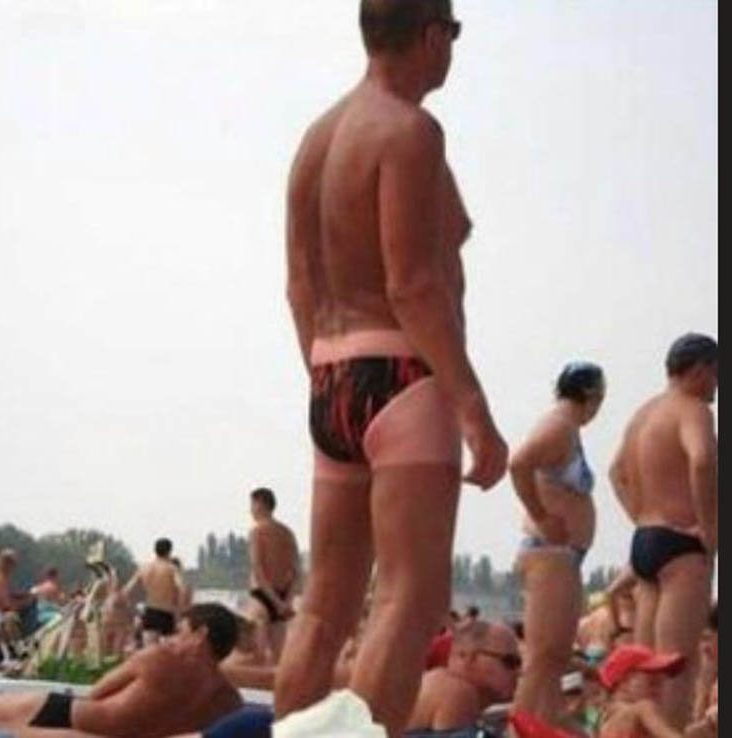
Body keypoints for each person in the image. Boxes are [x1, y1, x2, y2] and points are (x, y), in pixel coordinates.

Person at [273, 0, 508, 733]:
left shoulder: (317, 140)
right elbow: (414, 286)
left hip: (331, 370)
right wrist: (473, 409)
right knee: (409, 596)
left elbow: (300, 286)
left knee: (325, 605)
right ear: (431, 35)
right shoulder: (410, 131)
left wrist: (327, 383)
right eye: (453, 34)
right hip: (402, 373)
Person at [0, 604, 243, 738]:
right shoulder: (229, 702)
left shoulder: (159, 658)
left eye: (182, 631)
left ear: (200, 635)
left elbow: (99, 690)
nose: (173, 638)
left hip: (67, 717)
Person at [609, 333, 718, 729]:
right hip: (681, 545)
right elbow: (702, 460)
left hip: (646, 540)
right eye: (717, 374)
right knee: (676, 670)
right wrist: (710, 528)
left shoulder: (643, 414)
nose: (717, 386)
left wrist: (640, 516)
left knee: (646, 668)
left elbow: (616, 472)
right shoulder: (693, 410)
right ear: (701, 369)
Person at [509, 362, 606, 724]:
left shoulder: (566, 429)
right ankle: (520, 728)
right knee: (542, 659)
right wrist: (541, 515)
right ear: (591, 395)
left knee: (554, 659)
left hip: (562, 555)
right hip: (550, 552)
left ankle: (541, 725)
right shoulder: (558, 428)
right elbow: (518, 463)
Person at [407, 619, 520, 732]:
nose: (518, 671)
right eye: (510, 661)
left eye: (520, 663)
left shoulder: (438, 683)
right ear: (468, 657)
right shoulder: (457, 693)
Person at [245, 487, 300, 663]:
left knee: (256, 655)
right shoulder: (288, 533)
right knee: (279, 659)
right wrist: (286, 602)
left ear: (260, 504)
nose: (250, 510)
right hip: (283, 595)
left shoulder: (257, 532)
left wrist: (275, 602)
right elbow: (295, 571)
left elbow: (258, 570)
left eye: (252, 505)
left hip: (262, 596)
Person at [597, 644, 688, 738]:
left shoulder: (605, 721)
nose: (660, 690)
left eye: (662, 684)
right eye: (652, 683)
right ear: (624, 682)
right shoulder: (643, 708)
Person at [123, 538, 181, 644]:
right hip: (166, 613)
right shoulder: (172, 569)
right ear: (169, 551)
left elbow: (127, 590)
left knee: (150, 649)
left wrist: (131, 609)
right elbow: (182, 588)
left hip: (150, 612)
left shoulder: (144, 568)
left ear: (155, 551)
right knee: (167, 650)